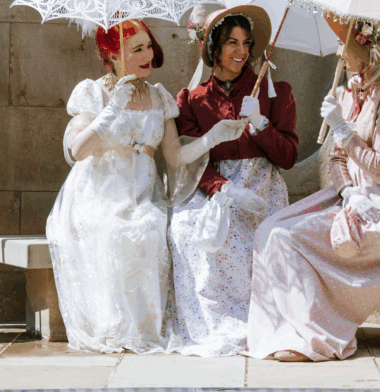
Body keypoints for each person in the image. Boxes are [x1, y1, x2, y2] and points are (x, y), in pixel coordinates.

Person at [46, 19, 248, 354]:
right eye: (136, 49)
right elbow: (78, 151)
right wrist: (112, 108)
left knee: (152, 226)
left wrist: (212, 138)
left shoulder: (158, 96)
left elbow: (175, 156)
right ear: (111, 56)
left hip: (142, 193)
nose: (147, 54)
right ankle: (118, 328)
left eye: (148, 46)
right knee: (116, 230)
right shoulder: (92, 92)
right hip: (99, 193)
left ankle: (146, 329)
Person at [246, 19, 380, 362]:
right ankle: (279, 331)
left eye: (344, 45)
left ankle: (315, 338)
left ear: (367, 50)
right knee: (269, 230)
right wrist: (347, 192)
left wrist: (342, 128)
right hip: (352, 196)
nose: (338, 52)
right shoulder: (349, 91)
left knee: (291, 239)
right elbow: (335, 158)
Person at [168, 6, 299, 357]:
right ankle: (214, 322)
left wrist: (261, 124)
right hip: (213, 187)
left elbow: (287, 157)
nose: (241, 51)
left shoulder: (275, 92)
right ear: (213, 47)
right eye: (231, 43)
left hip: (263, 186)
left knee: (247, 233)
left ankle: (258, 321)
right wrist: (223, 188)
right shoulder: (192, 99)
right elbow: (192, 160)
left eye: (246, 43)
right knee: (185, 228)